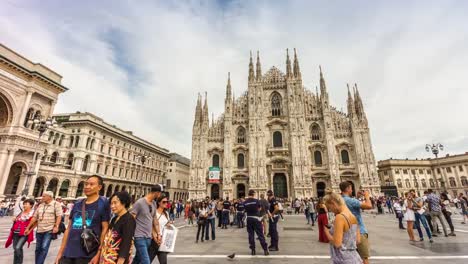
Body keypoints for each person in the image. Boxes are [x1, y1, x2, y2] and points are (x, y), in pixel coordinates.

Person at [55, 175, 110, 264]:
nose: (87, 187)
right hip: (68, 253)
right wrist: (60, 252)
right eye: (86, 184)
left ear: (99, 187)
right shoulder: (78, 203)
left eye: (91, 184)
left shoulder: (103, 203)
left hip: (88, 254)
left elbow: (105, 229)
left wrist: (98, 254)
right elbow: (69, 228)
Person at [323, 189, 362, 264]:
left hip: (343, 259)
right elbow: (358, 241)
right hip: (355, 258)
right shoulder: (353, 216)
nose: (331, 210)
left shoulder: (340, 217)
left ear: (333, 203)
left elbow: (337, 244)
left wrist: (327, 232)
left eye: (330, 208)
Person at [24, 191, 62, 264]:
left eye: (44, 196)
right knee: (38, 249)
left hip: (49, 229)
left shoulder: (56, 204)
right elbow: (35, 217)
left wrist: (56, 226)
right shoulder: (41, 205)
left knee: (44, 248)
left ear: (49, 197)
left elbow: (59, 216)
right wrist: (28, 228)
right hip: (39, 229)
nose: (42, 197)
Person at [340, 182, 372, 264]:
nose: (352, 190)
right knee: (364, 258)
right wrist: (367, 196)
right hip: (359, 231)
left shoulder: (340, 200)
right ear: (347, 189)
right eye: (351, 188)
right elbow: (369, 206)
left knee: (353, 257)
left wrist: (357, 197)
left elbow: (353, 206)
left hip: (347, 232)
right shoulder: (350, 200)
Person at [131, 184, 163, 264]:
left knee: (137, 260)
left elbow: (154, 220)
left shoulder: (154, 204)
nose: (160, 196)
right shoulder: (139, 203)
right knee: (146, 261)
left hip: (148, 238)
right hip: (139, 237)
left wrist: (158, 234)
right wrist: (130, 236)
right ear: (157, 193)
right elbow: (131, 219)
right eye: (160, 194)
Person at [100, 191, 135, 264]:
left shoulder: (129, 219)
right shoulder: (114, 219)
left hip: (117, 259)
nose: (112, 206)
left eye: (115, 203)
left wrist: (120, 261)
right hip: (107, 258)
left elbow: (126, 243)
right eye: (111, 203)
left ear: (124, 202)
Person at [5, 198, 35, 264]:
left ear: (31, 205)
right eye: (24, 204)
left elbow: (34, 223)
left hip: (24, 233)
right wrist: (15, 219)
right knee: (15, 249)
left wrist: (29, 230)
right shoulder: (20, 212)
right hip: (15, 232)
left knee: (18, 248)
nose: (24, 205)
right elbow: (16, 220)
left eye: (26, 204)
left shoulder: (33, 214)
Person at [244, 190, 269, 256]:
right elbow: (259, 209)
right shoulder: (256, 201)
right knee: (260, 235)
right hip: (256, 219)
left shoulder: (245, 202)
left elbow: (245, 210)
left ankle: (253, 250)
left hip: (249, 219)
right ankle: (265, 250)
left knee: (251, 235)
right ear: (253, 194)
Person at [153, 195, 173, 264]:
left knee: (163, 262)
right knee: (146, 261)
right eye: (164, 202)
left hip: (162, 241)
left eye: (167, 202)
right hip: (154, 240)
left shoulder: (166, 213)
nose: (166, 203)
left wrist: (169, 224)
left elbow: (167, 225)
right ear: (159, 203)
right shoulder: (154, 212)